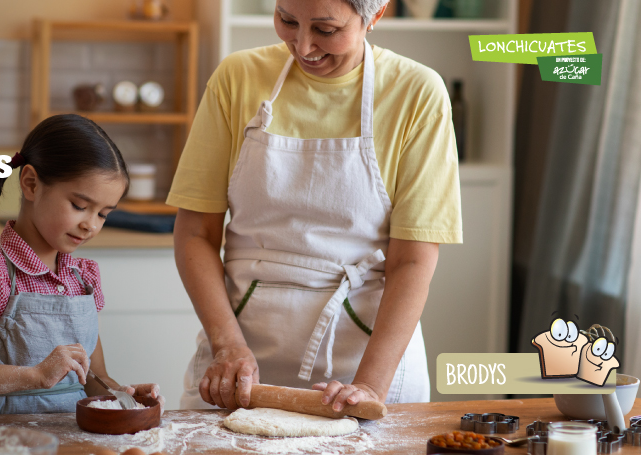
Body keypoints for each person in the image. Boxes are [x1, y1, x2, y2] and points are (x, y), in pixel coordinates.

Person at [169, 0, 463, 411]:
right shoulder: (237, 77)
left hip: (367, 359)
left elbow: (412, 261)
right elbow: (196, 234)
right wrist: (228, 345)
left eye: (325, 30)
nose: (303, 46)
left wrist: (372, 386)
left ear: (374, 16)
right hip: (237, 361)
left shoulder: (416, 93)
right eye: (287, 20)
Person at [0, 114, 163, 415]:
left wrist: (123, 396)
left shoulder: (82, 278)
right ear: (31, 183)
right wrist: (35, 376)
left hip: (69, 444)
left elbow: (90, 380)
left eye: (103, 214)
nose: (91, 226)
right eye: (80, 206)